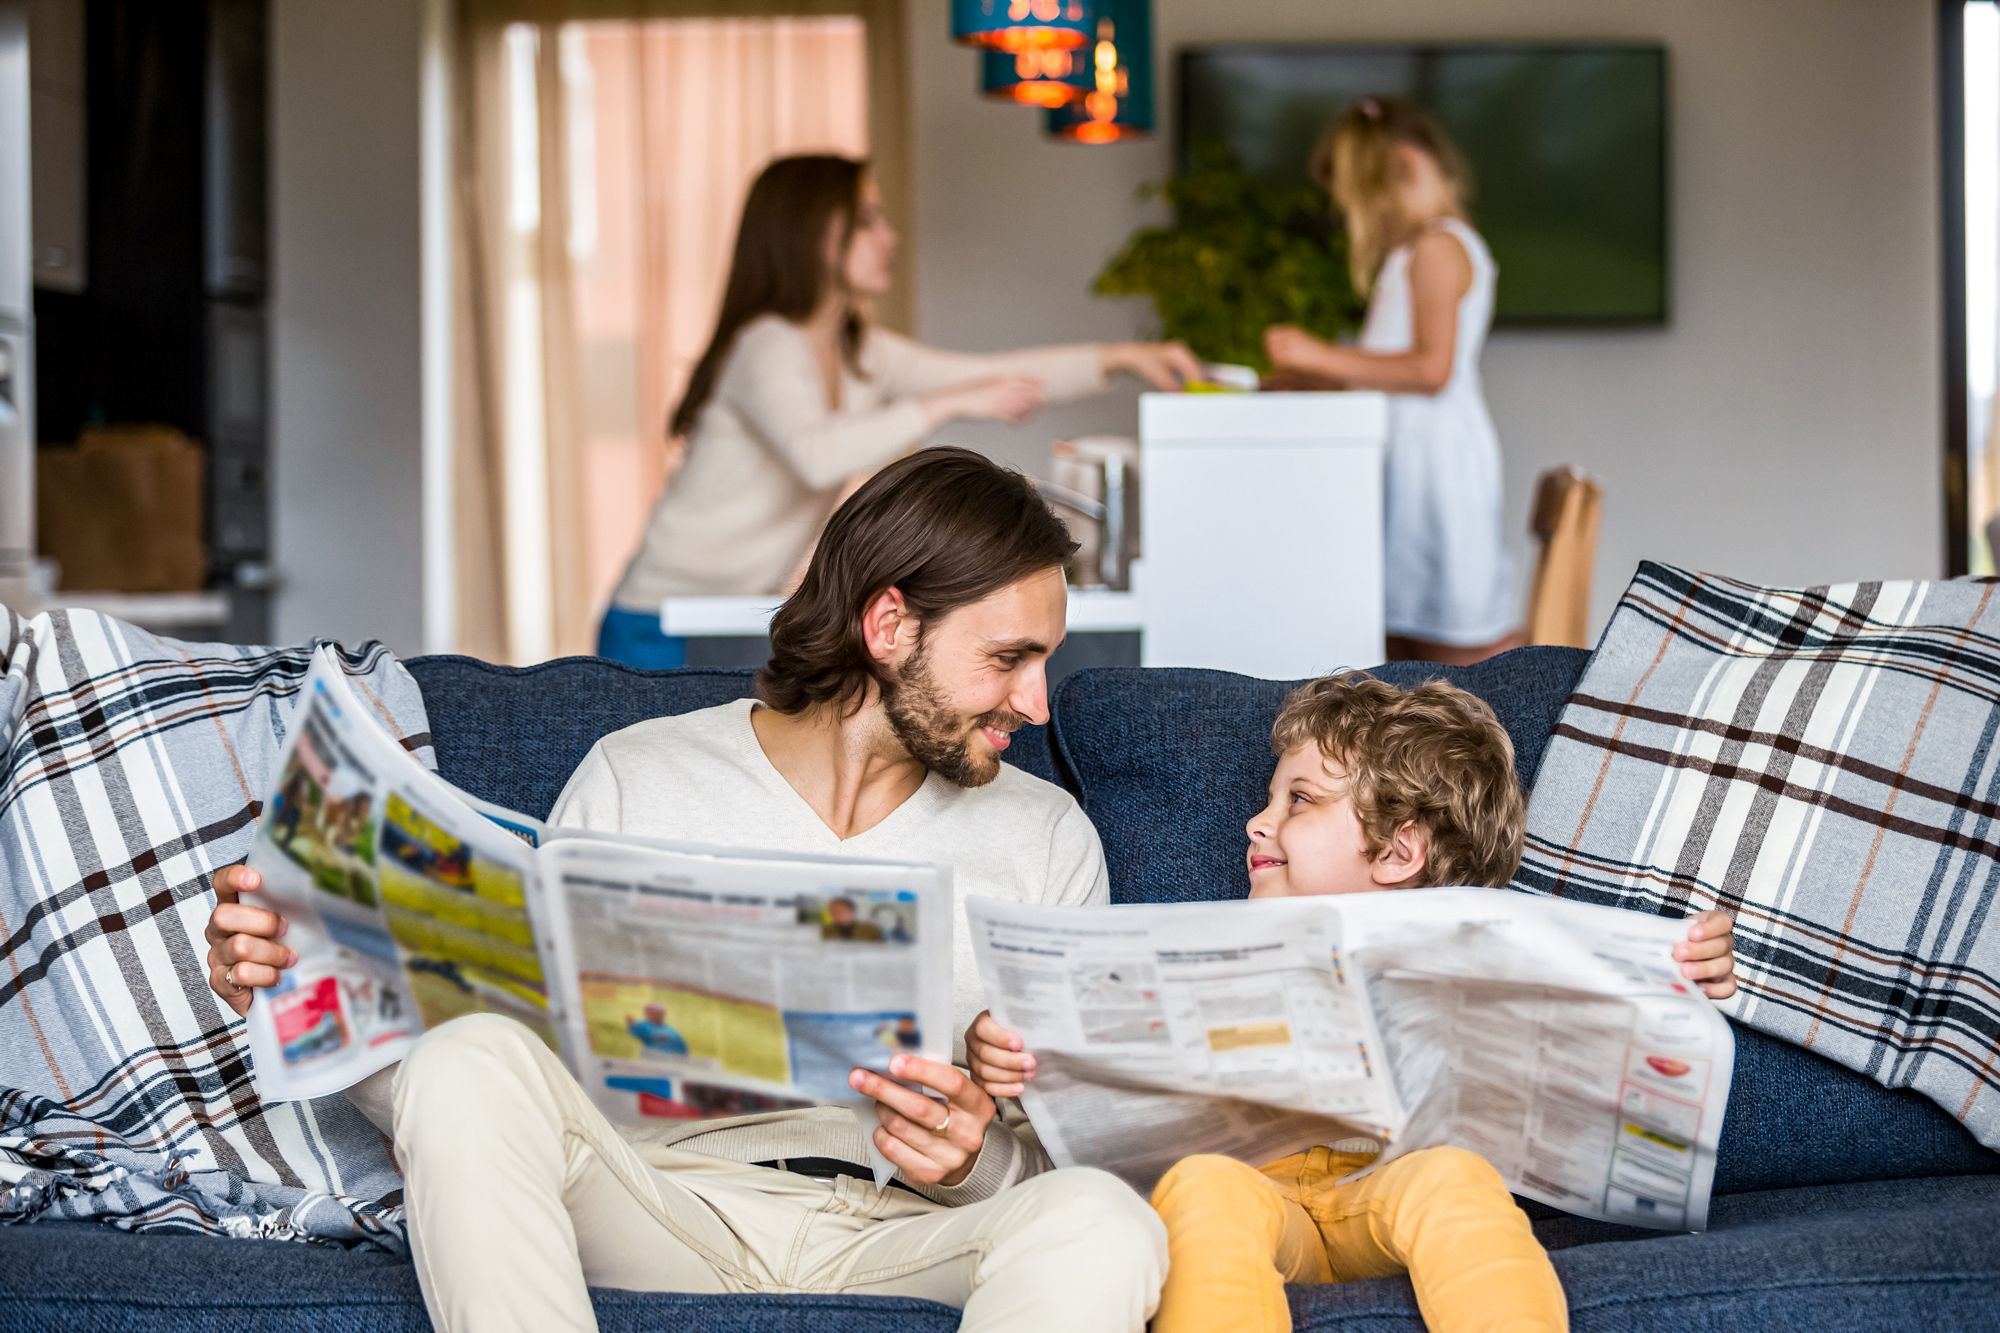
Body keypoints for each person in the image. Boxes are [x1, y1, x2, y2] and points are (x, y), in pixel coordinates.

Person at [203, 448, 1168, 1333]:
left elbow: (1065, 1168)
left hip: (902, 1235)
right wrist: (299, 977)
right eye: (1009, 658)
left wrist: (973, 1157)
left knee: (1102, 1218)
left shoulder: (1046, 837)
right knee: (470, 1055)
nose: (1036, 704)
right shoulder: (640, 775)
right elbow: (493, 1087)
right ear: (888, 625)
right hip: (661, 1206)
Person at [966, 673, 1740, 1333]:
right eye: (1270, 796)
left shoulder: (1485, 949)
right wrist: (1024, 1052)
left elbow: (1591, 1053)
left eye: (1298, 799)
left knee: (1454, 1177)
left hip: (1384, 1188)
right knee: (1201, 1184)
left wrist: (1675, 979)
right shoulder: (1202, 939)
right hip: (1266, 1195)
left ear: (1400, 851)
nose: (1257, 820)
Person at [599, 153, 1202, 667]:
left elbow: (995, 375)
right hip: (659, 621)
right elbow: (816, 454)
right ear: (811, 235)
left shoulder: (860, 353)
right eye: (866, 221)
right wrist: (939, 404)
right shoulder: (768, 343)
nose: (889, 236)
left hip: (723, 616)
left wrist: (1122, 357)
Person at [1261, 98, 1516, 666]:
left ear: (1402, 166)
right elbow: (1392, 370)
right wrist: (1318, 380)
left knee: (1447, 655)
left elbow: (1431, 369)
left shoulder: (1437, 248)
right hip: (1414, 463)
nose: (1361, 213)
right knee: (1403, 648)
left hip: (1436, 471)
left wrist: (1320, 354)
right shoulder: (1414, 253)